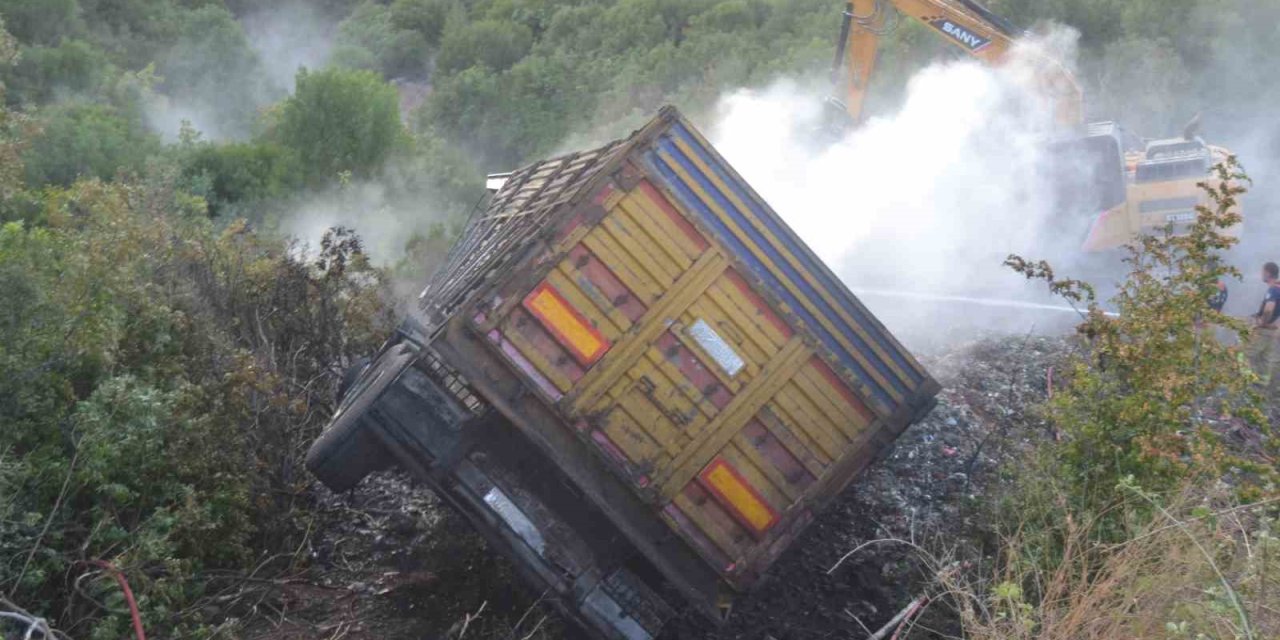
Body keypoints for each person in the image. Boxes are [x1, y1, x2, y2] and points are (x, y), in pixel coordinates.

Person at [1246, 261, 1280, 391]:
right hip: (1273, 330)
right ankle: (1263, 381)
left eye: (1262, 272)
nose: (1261, 275)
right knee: (1266, 356)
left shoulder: (1273, 290)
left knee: (1245, 353)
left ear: (1267, 273)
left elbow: (1268, 309)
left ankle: (1246, 377)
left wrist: (1263, 323)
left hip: (1265, 330)